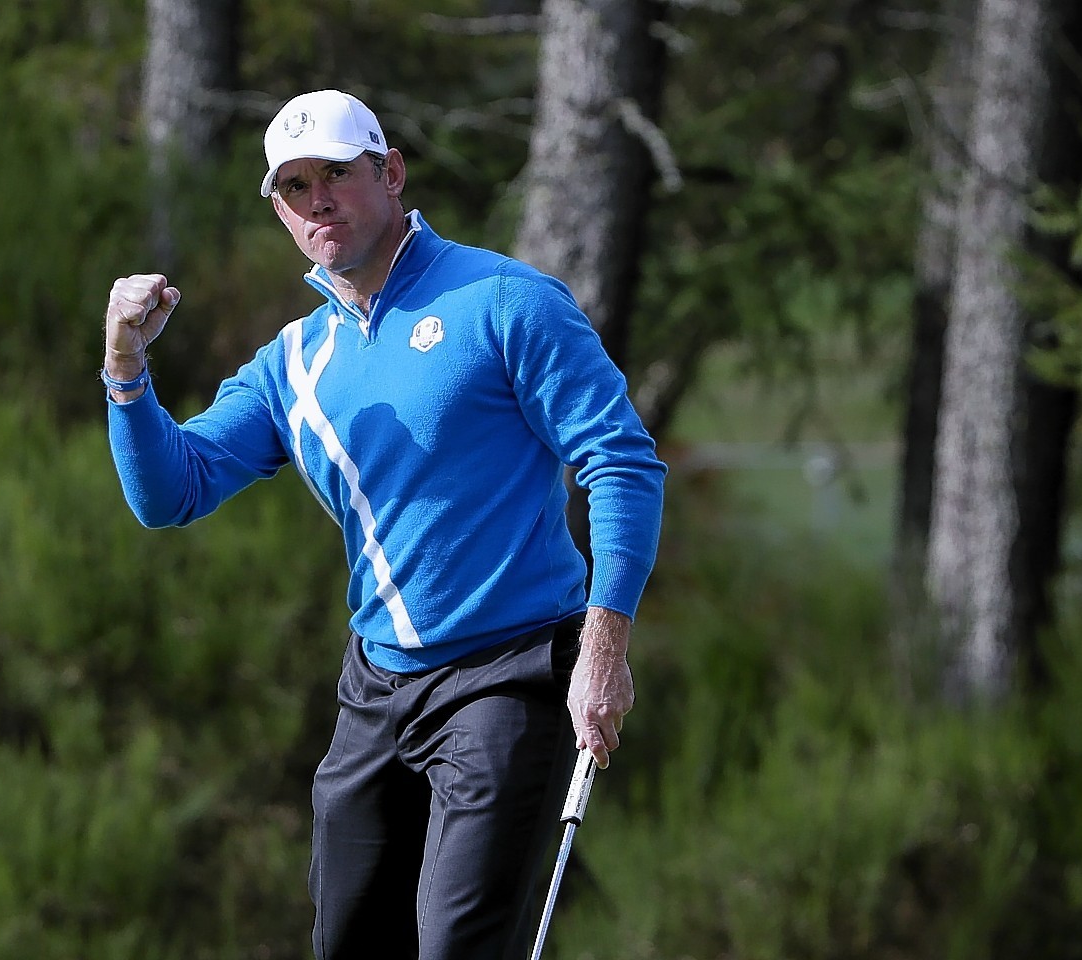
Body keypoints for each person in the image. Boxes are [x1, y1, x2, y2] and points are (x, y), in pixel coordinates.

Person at [101, 89, 665, 960]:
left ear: (390, 173)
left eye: (336, 173)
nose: (317, 199)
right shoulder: (293, 362)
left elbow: (620, 462)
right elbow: (170, 492)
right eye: (293, 186)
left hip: (508, 677)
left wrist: (604, 648)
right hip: (375, 690)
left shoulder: (507, 300)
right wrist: (126, 369)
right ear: (283, 212)